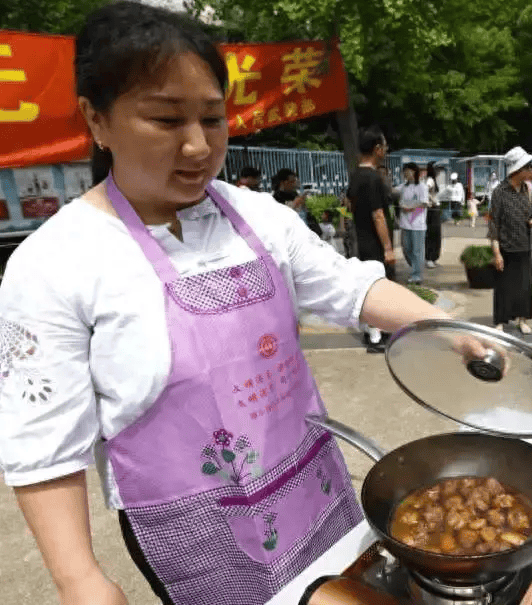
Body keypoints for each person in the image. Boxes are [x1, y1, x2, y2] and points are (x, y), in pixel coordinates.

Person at [0, 4, 460, 605]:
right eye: (165, 120)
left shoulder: (260, 217)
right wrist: (79, 577)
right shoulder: (53, 263)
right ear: (97, 119)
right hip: (197, 533)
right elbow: (44, 444)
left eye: (213, 119)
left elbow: (351, 289)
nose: (197, 145)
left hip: (310, 484)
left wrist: (448, 326)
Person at [345, 126, 397, 352]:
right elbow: (378, 215)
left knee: (368, 285)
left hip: (362, 237)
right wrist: (387, 247)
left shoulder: (355, 176)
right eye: (384, 147)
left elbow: (350, 204)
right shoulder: (373, 178)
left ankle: (372, 331)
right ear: (377, 149)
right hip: (375, 242)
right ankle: (376, 338)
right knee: (378, 287)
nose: (385, 151)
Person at [488, 147, 532, 335]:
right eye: (528, 167)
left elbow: (526, 214)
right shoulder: (500, 191)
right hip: (506, 246)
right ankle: (500, 320)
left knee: (524, 285)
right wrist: (497, 253)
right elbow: (494, 224)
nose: (531, 170)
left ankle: (522, 319)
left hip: (524, 244)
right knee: (503, 285)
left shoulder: (526, 189)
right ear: (518, 170)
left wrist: (531, 221)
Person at [399, 162, 428, 284]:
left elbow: (424, 203)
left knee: (417, 251)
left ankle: (417, 275)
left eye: (409, 171)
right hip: (405, 224)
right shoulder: (403, 187)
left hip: (418, 225)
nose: (407, 174)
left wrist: (411, 208)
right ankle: (417, 266)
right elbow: (398, 199)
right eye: (405, 172)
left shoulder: (422, 186)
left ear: (415, 173)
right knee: (406, 249)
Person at [424, 161, 442, 269]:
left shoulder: (434, 180)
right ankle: (429, 258)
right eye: (437, 169)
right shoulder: (430, 180)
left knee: (436, 234)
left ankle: (433, 257)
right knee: (432, 233)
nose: (438, 171)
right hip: (432, 209)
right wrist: (431, 201)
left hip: (435, 209)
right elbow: (425, 191)